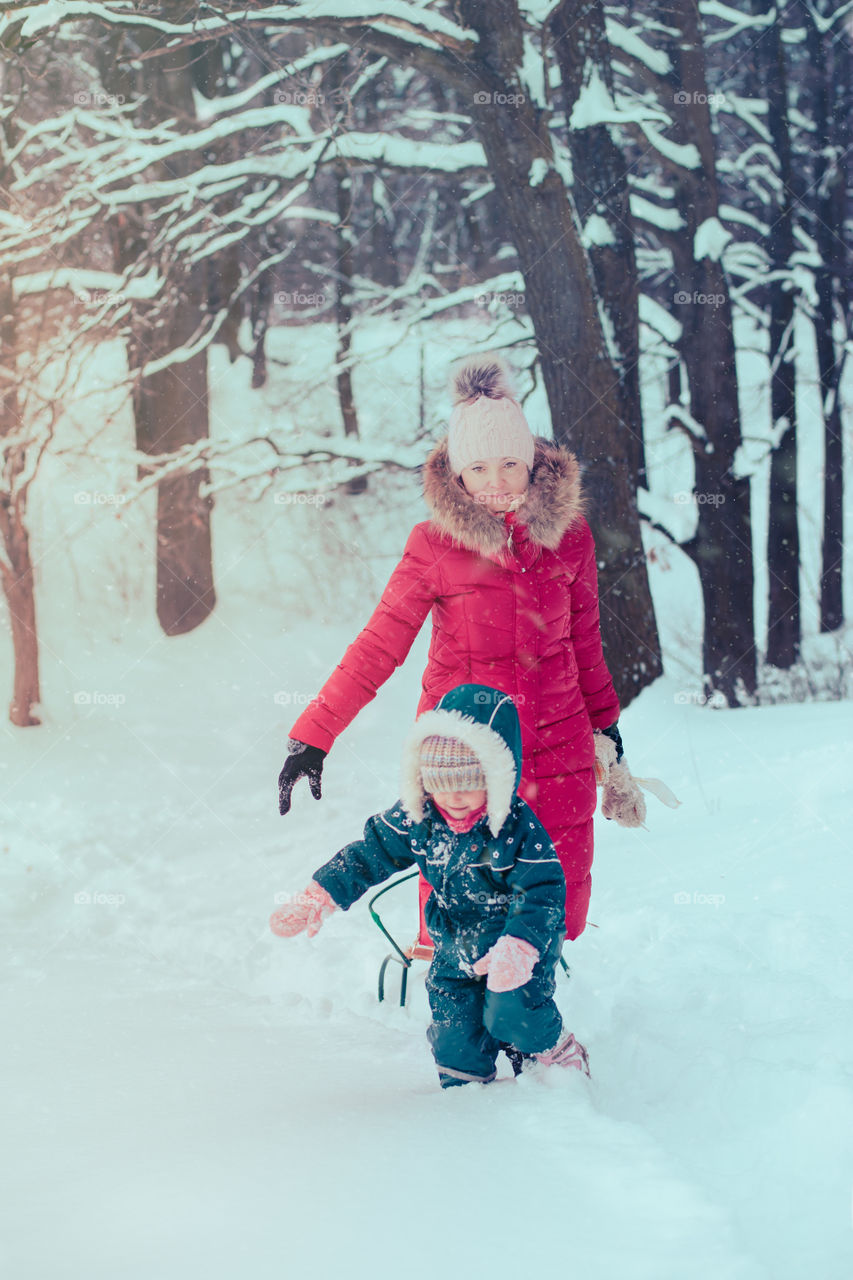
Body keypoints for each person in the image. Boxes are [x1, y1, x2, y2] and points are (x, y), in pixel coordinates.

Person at [279, 354, 641, 942]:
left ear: (532, 466)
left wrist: (607, 726)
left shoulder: (569, 539)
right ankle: (458, 1010)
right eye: (478, 468)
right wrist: (314, 734)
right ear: (456, 474)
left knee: (546, 898)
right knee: (459, 897)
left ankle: (530, 1004)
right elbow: (378, 645)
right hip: (462, 749)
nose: (495, 483)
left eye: (508, 464)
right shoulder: (433, 546)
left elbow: (585, 641)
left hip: (558, 740)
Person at [271, 684, 590, 1088]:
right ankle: (469, 1102)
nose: (453, 796)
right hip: (454, 945)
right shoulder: (418, 815)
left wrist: (520, 945)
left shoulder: (517, 830)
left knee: (513, 1011)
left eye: (469, 782)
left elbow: (543, 893)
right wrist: (322, 892)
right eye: (441, 781)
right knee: (455, 1040)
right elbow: (370, 853)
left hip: (514, 946)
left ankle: (555, 1051)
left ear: (496, 777)